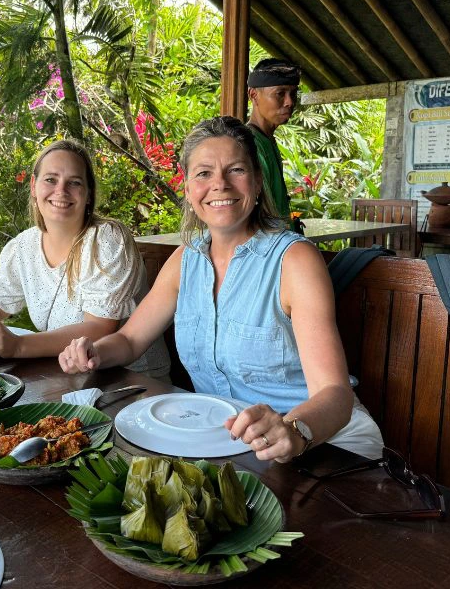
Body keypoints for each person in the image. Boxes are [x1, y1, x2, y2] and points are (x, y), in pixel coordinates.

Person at [58, 117, 383, 462]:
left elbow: (335, 393)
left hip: (325, 444)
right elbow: (130, 340)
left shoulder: (294, 259)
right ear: (187, 188)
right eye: (204, 173)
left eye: (236, 170)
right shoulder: (187, 259)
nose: (220, 185)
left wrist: (294, 430)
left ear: (257, 182)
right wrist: (94, 352)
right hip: (228, 446)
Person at [0, 139, 170, 378]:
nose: (61, 191)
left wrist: (18, 346)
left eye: (74, 182)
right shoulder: (24, 245)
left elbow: (99, 327)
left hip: (129, 380)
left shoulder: (107, 240)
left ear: (88, 194)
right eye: (51, 179)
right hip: (67, 375)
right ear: (34, 186)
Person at [247, 58, 300, 220]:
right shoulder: (248, 143)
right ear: (254, 95)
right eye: (280, 94)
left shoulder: (267, 140)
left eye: (293, 94)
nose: (289, 102)